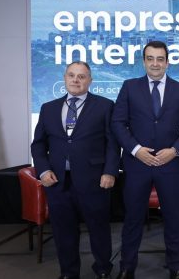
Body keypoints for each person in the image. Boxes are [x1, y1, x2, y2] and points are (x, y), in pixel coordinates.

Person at [111, 41, 179, 279]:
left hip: (170, 165)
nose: (155, 63)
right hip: (137, 165)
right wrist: (136, 149)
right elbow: (118, 123)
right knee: (133, 219)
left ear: (167, 62)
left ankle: (176, 268)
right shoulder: (129, 87)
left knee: (172, 218)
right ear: (143, 61)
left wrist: (175, 150)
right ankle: (127, 268)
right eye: (150, 58)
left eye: (160, 59)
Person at [31, 61, 120, 279]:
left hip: (94, 180)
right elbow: (38, 144)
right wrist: (42, 171)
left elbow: (113, 143)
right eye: (71, 75)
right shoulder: (48, 108)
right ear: (65, 78)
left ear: (90, 80)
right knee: (63, 231)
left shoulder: (105, 106)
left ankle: (102, 269)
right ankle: (69, 272)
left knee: (98, 229)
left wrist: (110, 171)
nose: (76, 80)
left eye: (81, 76)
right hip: (57, 181)